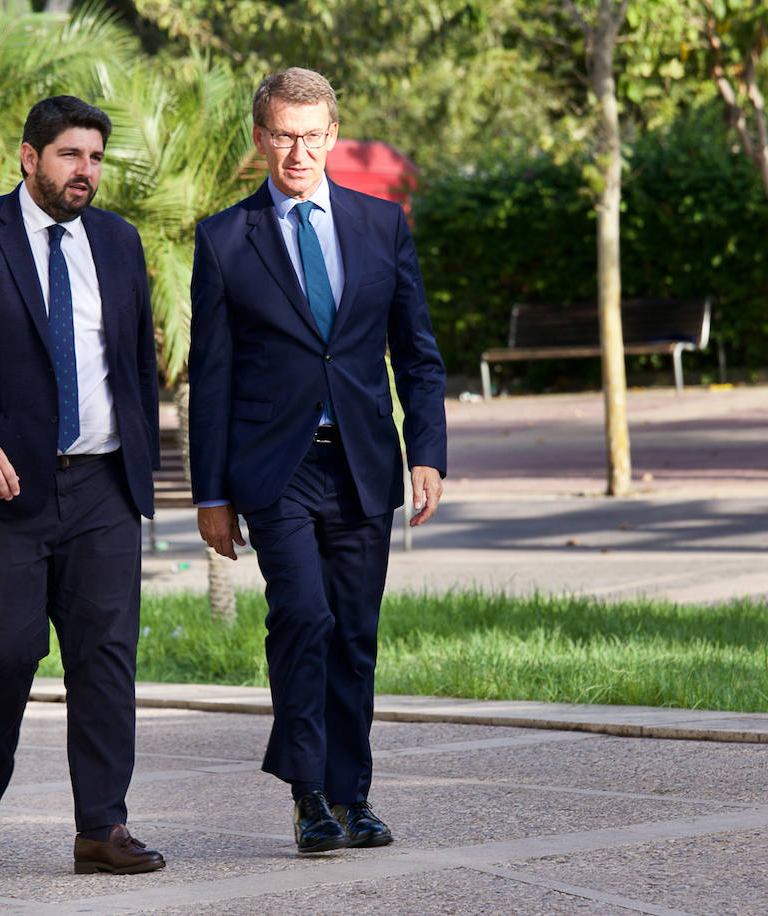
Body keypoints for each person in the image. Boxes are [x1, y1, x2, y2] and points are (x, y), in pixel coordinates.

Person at [188, 68, 447, 854]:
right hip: (277, 467)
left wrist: (428, 452)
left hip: (364, 462)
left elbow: (418, 354)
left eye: (311, 134)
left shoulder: (382, 225)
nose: (297, 150)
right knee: (302, 617)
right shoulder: (226, 239)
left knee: (354, 635)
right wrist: (211, 494)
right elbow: (213, 375)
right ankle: (308, 796)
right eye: (282, 134)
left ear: (333, 135)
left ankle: (352, 794)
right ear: (260, 138)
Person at [0, 95, 165, 875]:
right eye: (69, 156)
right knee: (3, 648)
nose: (84, 172)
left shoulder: (118, 242)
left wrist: (145, 464)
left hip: (101, 486)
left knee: (105, 655)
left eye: (94, 158)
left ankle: (100, 828)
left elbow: (136, 365)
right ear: (29, 157)